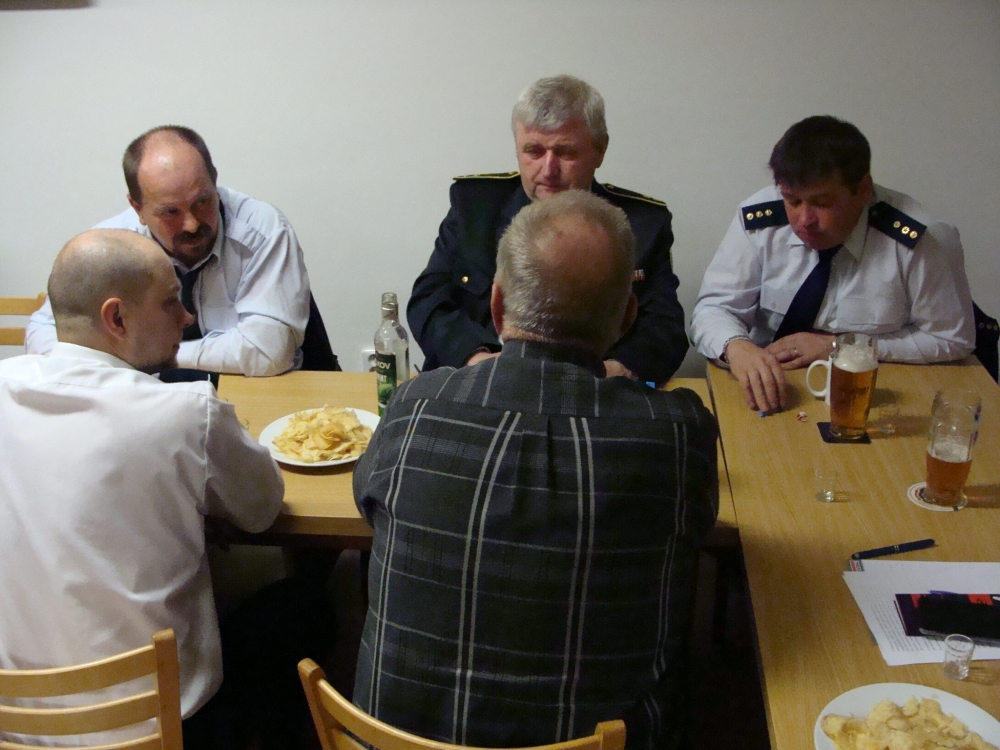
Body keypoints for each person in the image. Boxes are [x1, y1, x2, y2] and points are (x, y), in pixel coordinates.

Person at [355, 191, 718, 750]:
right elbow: (697, 528)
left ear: (497, 305)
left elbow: (366, 503)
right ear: (627, 317)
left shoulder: (411, 405)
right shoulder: (677, 433)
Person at [0, 229, 284, 744]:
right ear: (117, 319)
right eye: (171, 301)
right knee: (303, 608)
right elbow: (262, 509)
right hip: (161, 727)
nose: (187, 317)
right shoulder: (185, 413)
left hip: (17, 725)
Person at [408, 74, 687, 385]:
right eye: (534, 151)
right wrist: (476, 360)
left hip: (594, 392)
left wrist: (616, 370)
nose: (548, 170)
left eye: (565, 152)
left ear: (600, 150)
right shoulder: (474, 205)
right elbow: (429, 301)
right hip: (478, 382)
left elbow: (665, 328)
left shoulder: (642, 223)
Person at [690, 115, 975, 412]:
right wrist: (736, 347)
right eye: (792, 200)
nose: (804, 220)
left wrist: (843, 347)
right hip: (772, 390)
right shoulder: (759, 220)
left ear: (863, 190)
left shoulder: (921, 239)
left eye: (822, 203)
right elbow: (714, 308)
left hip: (874, 393)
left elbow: (951, 338)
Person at [25, 125, 327, 377]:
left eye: (202, 201)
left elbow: (268, 351)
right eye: (170, 212)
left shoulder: (262, 228)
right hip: (153, 397)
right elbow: (43, 333)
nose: (192, 224)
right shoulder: (111, 246)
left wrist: (150, 355)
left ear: (215, 182)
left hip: (257, 393)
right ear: (137, 208)